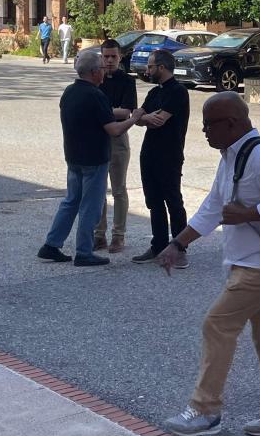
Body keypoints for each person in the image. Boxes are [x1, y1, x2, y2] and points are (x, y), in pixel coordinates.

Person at [158, 92, 260, 436]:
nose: (204, 132)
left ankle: (204, 410)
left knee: (217, 324)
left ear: (232, 123)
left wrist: (248, 214)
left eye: (208, 125)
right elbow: (213, 207)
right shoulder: (232, 155)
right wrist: (178, 243)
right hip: (252, 260)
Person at [38, 49, 142, 266]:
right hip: (94, 159)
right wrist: (135, 118)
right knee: (90, 207)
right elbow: (114, 129)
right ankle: (84, 252)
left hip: (73, 156)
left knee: (71, 201)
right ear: (94, 72)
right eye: (102, 68)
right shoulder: (96, 95)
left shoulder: (69, 92)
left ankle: (51, 244)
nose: (104, 71)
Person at [133, 48, 191, 267]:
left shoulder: (178, 91)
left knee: (173, 201)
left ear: (162, 67)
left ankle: (180, 249)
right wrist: (144, 117)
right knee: (154, 202)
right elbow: (137, 117)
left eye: (150, 66)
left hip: (170, 155)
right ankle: (158, 245)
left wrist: (144, 117)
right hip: (149, 153)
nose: (147, 71)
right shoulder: (153, 92)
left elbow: (159, 119)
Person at [94, 38, 137, 254]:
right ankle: (98, 235)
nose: (109, 60)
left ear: (120, 57)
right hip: (96, 138)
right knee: (98, 189)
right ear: (101, 57)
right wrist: (112, 111)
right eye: (106, 56)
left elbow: (127, 112)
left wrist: (100, 111)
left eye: (113, 56)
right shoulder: (96, 78)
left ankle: (118, 236)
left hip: (118, 138)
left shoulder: (127, 81)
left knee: (118, 189)